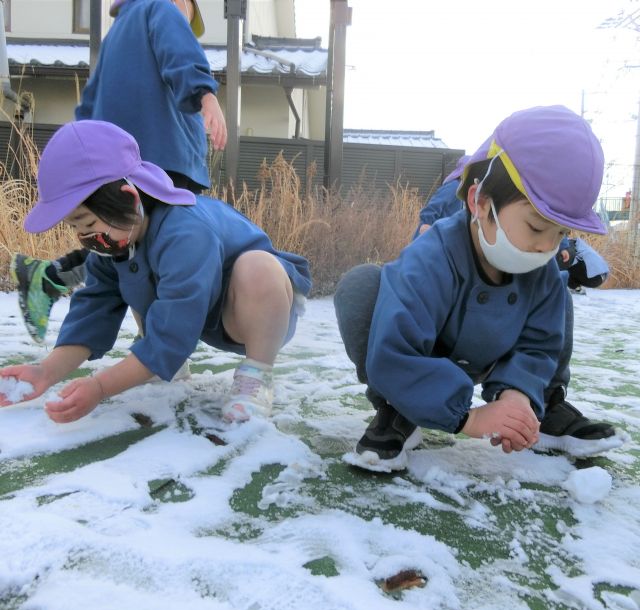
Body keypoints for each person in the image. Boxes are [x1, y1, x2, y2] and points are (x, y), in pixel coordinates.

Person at [334, 105, 620, 472]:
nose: (546, 246)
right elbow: (395, 351)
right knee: (360, 286)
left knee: (560, 294)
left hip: (497, 353)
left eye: (561, 233)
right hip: (426, 359)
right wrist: (469, 419)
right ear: (480, 202)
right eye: (535, 228)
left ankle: (542, 406)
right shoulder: (431, 257)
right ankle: (399, 409)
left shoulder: (544, 269)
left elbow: (540, 343)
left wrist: (517, 395)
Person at [0, 120, 310, 424]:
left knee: (258, 268)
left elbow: (175, 330)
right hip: (197, 314)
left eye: (88, 223)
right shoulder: (118, 238)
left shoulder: (186, 233)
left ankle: (255, 376)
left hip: (253, 312)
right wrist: (45, 372)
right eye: (75, 227)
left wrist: (101, 387)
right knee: (135, 272)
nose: (84, 237)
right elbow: (93, 311)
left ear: (129, 198)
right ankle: (165, 366)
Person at [11, 0, 227, 344]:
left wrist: (78, 164)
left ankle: (51, 276)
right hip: (162, 158)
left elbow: (88, 107)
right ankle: (154, 342)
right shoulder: (163, 9)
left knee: (123, 245)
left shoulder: (116, 34)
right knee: (154, 247)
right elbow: (180, 52)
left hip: (112, 164)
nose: (186, 25)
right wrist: (205, 94)